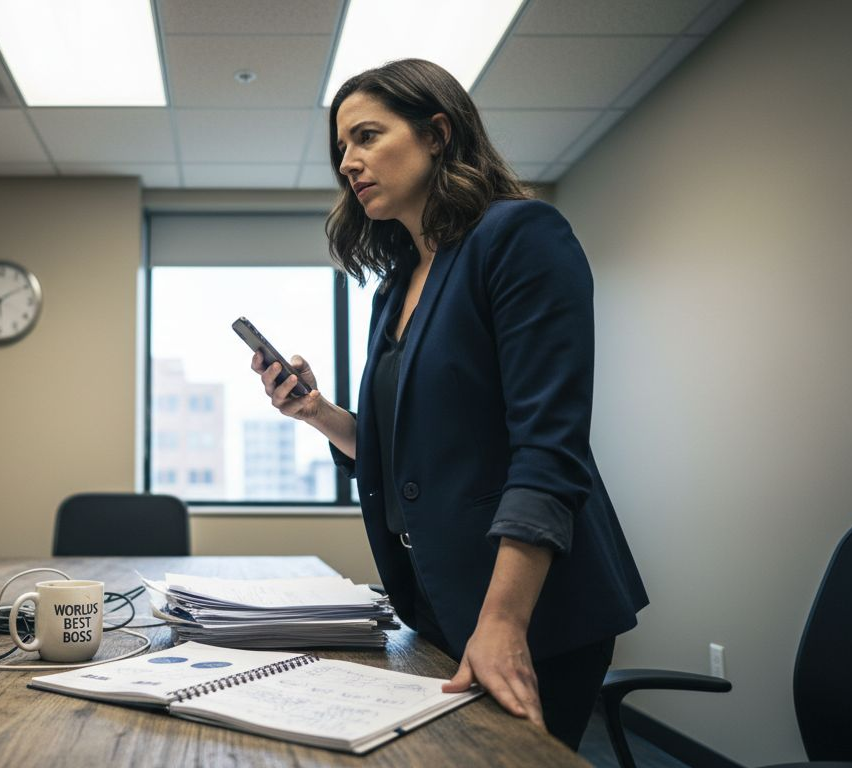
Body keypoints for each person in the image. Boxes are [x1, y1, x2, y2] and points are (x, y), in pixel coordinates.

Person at [250, 59, 648, 750]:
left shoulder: (519, 237)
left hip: (530, 610)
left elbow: (549, 452)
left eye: (368, 136)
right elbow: (396, 452)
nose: (349, 162)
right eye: (342, 148)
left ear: (437, 133)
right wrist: (314, 411)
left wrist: (503, 622)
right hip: (439, 597)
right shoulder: (395, 286)